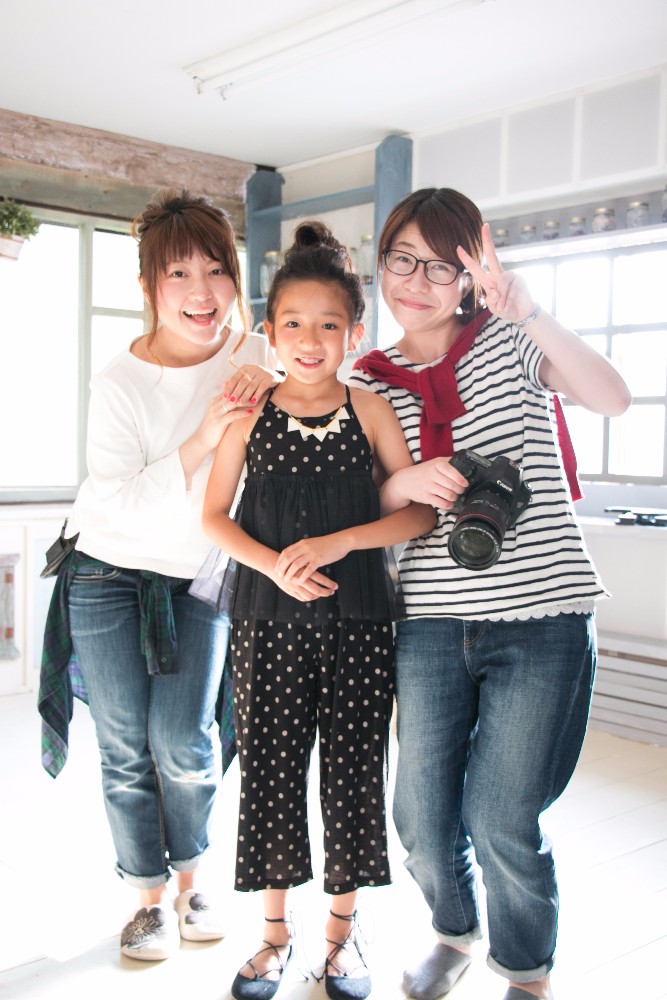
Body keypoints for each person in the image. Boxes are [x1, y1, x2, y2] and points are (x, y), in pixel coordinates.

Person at [349, 187, 631, 1000]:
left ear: (471, 276)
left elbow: (611, 398)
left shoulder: (509, 339)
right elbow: (356, 503)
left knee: (502, 816)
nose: (417, 281)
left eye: (441, 267)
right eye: (402, 259)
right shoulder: (365, 381)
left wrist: (530, 312)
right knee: (420, 818)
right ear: (380, 261)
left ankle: (524, 971)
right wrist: (400, 480)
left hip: (541, 619)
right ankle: (452, 929)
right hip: (430, 623)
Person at [38, 188, 277, 962]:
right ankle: (147, 901)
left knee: (184, 740)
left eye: (216, 270)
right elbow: (115, 503)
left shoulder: (258, 355)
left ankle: (191, 882)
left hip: (200, 578)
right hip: (105, 575)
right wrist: (204, 434)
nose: (201, 292)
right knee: (124, 745)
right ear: (148, 286)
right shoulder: (119, 382)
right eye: (179, 274)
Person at [201, 221, 436, 1000]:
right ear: (268, 333)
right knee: (269, 773)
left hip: (360, 623)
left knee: (352, 776)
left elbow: (418, 513)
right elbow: (213, 518)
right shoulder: (247, 413)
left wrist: (342, 541)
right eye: (293, 324)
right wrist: (274, 564)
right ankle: (274, 936)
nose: (310, 340)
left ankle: (340, 937)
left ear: (353, 333)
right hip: (265, 624)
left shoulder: (370, 410)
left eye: (328, 325)